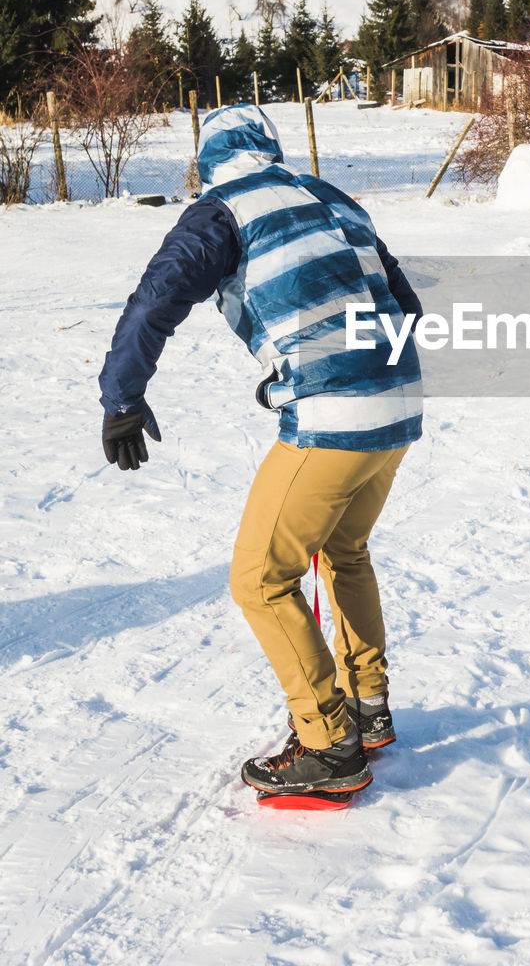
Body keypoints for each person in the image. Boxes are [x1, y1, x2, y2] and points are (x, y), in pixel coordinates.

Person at [99, 103, 422, 800]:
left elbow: (156, 301)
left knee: (260, 578)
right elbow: (405, 304)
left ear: (207, 158)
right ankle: (368, 708)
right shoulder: (330, 196)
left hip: (336, 412)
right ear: (270, 148)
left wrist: (121, 398)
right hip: (399, 401)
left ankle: (326, 745)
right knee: (345, 552)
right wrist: (305, 369)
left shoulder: (221, 211)